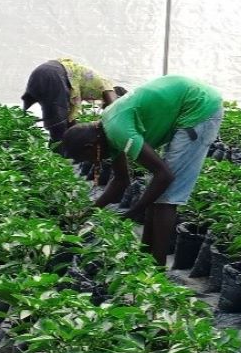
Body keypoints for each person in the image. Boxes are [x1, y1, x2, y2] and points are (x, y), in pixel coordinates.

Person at [59, 75, 224, 266]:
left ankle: (157, 269)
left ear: (90, 146)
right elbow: (121, 181)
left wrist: (133, 211)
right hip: (183, 102)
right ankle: (144, 257)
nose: (95, 162)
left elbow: (164, 175)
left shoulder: (118, 130)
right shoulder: (105, 133)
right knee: (156, 193)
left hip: (199, 109)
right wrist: (87, 214)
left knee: (166, 197)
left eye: (88, 158)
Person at [22, 58, 119, 142]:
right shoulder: (109, 87)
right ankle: (58, 158)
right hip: (56, 74)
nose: (103, 109)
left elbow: (71, 120)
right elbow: (115, 111)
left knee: (27, 115)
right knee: (58, 126)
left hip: (42, 71)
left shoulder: (78, 89)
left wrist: (75, 133)